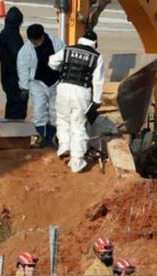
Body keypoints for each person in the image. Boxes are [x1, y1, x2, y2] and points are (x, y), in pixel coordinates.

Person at [49, 30, 105, 172]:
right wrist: (97, 100)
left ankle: (64, 147)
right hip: (82, 92)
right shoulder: (97, 57)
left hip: (63, 87)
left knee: (62, 120)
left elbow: (52, 62)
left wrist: (62, 69)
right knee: (79, 126)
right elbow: (98, 81)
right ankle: (77, 162)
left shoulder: (68, 50)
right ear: (95, 43)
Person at [18, 24, 65, 147]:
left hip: (55, 81)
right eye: (32, 41)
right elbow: (22, 68)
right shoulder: (25, 50)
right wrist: (24, 88)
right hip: (37, 83)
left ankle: (53, 137)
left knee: (55, 110)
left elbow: (65, 58)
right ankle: (40, 137)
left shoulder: (56, 43)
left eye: (36, 40)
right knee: (39, 109)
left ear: (42, 36)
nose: (34, 43)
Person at [0, 7, 28, 120]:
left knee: (12, 105)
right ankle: (15, 134)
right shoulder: (13, 36)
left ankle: (10, 133)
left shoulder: (4, 33)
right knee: (17, 108)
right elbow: (18, 56)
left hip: (7, 76)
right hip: (14, 77)